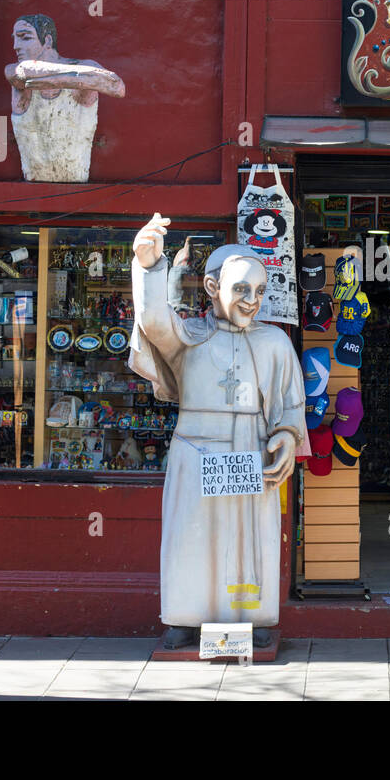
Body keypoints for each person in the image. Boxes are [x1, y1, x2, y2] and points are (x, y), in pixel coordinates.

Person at [129, 214, 308, 649]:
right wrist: (151, 267)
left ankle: (255, 615)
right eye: (241, 289)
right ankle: (184, 616)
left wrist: (284, 438)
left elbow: (289, 407)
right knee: (192, 535)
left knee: (250, 538)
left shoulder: (275, 344)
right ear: (212, 288)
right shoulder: (188, 337)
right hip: (196, 450)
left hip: (251, 449)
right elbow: (154, 321)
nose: (252, 301)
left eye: (260, 292)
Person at [6, 14, 126, 183]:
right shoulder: (14, 71)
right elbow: (22, 73)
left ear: (47, 41)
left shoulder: (85, 66)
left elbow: (117, 87)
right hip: (33, 188)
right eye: (15, 40)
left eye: (24, 38)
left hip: (78, 185)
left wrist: (48, 79)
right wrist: (83, 79)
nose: (15, 46)